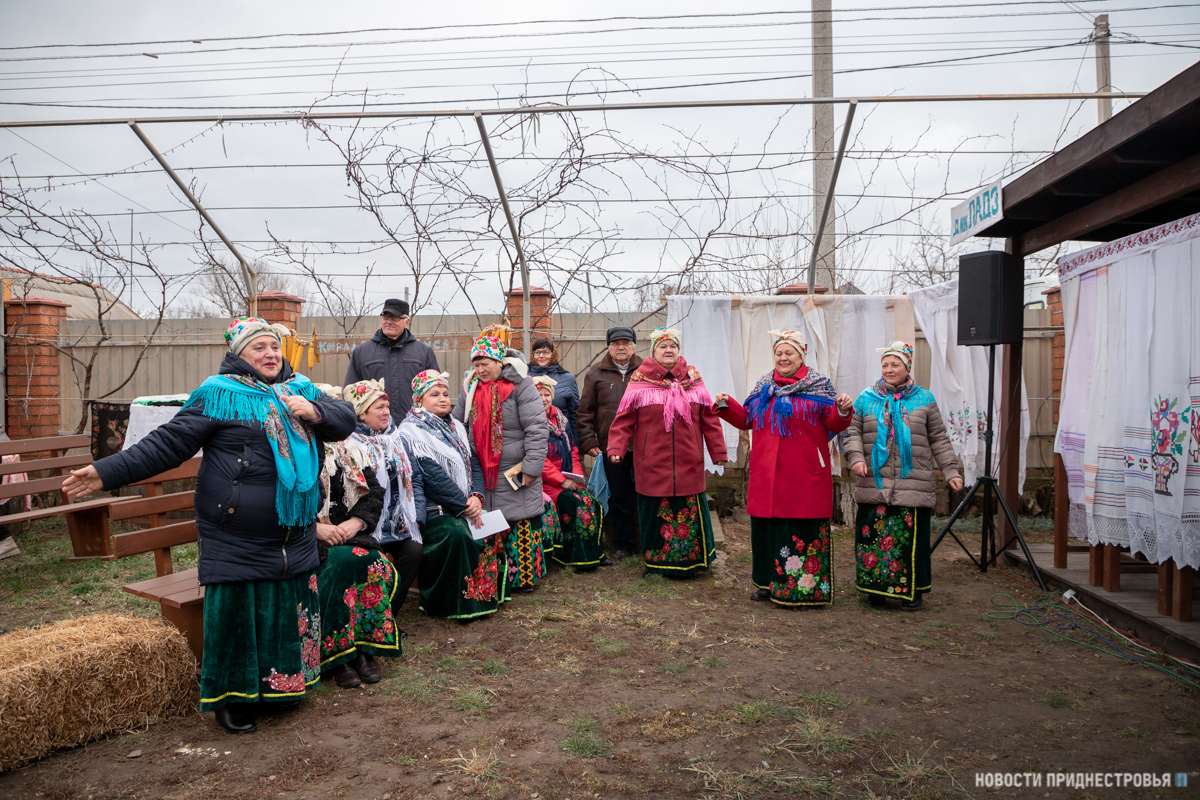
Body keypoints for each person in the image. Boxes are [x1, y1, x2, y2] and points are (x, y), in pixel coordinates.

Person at [62, 317, 357, 734]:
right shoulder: (219, 394)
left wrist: (315, 410)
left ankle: (281, 687)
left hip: (293, 531)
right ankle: (231, 698)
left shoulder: (302, 390)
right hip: (236, 531)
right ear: (239, 354)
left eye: (275, 346)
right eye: (259, 348)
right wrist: (106, 472)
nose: (270, 354)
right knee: (238, 612)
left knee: (282, 608)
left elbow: (344, 420)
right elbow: (168, 444)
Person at [715, 330, 855, 607]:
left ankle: (804, 589)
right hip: (767, 473)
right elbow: (746, 420)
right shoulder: (764, 387)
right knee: (768, 529)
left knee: (800, 528)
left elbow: (835, 424)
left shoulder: (819, 386)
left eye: (789, 352)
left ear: (800, 355)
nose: (783, 357)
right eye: (778, 353)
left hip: (803, 475)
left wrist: (841, 410)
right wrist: (727, 404)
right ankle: (767, 584)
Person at [843, 341, 964, 611]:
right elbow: (851, 434)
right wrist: (857, 459)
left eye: (895, 364)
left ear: (907, 367)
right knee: (873, 536)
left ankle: (912, 591)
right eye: (885, 364)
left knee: (910, 540)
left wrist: (951, 471)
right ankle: (874, 590)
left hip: (913, 484)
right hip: (875, 481)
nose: (889, 369)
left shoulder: (925, 399)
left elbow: (939, 440)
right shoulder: (866, 398)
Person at [606, 327, 727, 577]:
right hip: (652, 462)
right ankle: (657, 565)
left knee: (688, 510)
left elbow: (709, 419)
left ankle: (693, 564)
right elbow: (623, 419)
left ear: (678, 350)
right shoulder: (640, 380)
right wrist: (616, 447)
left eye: (672, 346)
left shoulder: (693, 379)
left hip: (688, 460)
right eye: (663, 346)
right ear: (653, 352)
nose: (668, 350)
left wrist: (718, 452)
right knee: (655, 513)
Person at [312, 382, 401, 690]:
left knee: (370, 560)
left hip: (349, 534)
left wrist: (356, 523)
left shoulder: (352, 450)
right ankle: (338, 657)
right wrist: (316, 529)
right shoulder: (299, 450)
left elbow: (374, 494)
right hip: (310, 539)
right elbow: (283, 503)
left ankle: (363, 647)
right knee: (337, 567)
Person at [399, 369, 508, 619]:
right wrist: (464, 505)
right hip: (434, 510)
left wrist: (477, 497)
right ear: (419, 400)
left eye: (446, 394)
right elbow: (430, 475)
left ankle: (483, 597)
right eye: (434, 394)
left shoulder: (456, 426)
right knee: (456, 535)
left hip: (466, 504)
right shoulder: (410, 431)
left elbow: (474, 464)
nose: (442, 399)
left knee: (492, 531)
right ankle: (451, 603)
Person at [452, 330, 549, 594]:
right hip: (481, 469)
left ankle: (522, 579)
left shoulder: (522, 385)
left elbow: (537, 428)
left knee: (520, 521)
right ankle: (493, 579)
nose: (481, 370)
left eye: (485, 364)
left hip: (515, 468)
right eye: (476, 365)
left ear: (500, 362)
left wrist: (531, 467)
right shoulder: (470, 387)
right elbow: (457, 424)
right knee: (488, 522)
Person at [341, 379, 424, 616]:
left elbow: (414, 479)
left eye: (387, 406)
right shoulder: (349, 444)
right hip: (367, 524)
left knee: (414, 551)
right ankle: (369, 620)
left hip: (397, 522)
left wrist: (415, 516)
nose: (387, 411)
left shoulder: (396, 439)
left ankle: (389, 615)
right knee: (372, 559)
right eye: (379, 407)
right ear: (361, 413)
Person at [577, 326, 643, 560]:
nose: (621, 347)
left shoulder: (646, 370)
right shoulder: (596, 373)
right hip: (611, 446)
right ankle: (623, 545)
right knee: (618, 496)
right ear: (608, 347)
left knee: (645, 495)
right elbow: (585, 412)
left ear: (634, 346)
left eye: (626, 342)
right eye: (616, 343)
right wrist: (589, 441)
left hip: (644, 446)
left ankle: (646, 543)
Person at [533, 376, 609, 570]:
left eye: (547, 394)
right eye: (539, 394)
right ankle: (573, 556)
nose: (543, 399)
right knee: (574, 503)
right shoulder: (530, 421)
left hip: (566, 478)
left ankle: (593, 552)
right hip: (544, 483)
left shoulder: (561, 419)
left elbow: (573, 451)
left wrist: (576, 476)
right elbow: (538, 459)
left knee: (592, 502)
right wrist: (562, 481)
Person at [344, 298, 439, 420]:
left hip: (415, 427)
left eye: (394, 317)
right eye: (385, 317)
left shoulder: (424, 353)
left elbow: (436, 391)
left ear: (407, 321)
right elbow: (350, 395)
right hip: (374, 431)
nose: (389, 321)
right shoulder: (362, 353)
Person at [528, 337, 580, 445]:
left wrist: (578, 448)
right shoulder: (525, 378)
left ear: (553, 354)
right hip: (530, 441)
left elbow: (574, 414)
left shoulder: (567, 379)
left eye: (546, 352)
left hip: (560, 442)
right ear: (533, 355)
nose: (541, 356)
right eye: (537, 352)